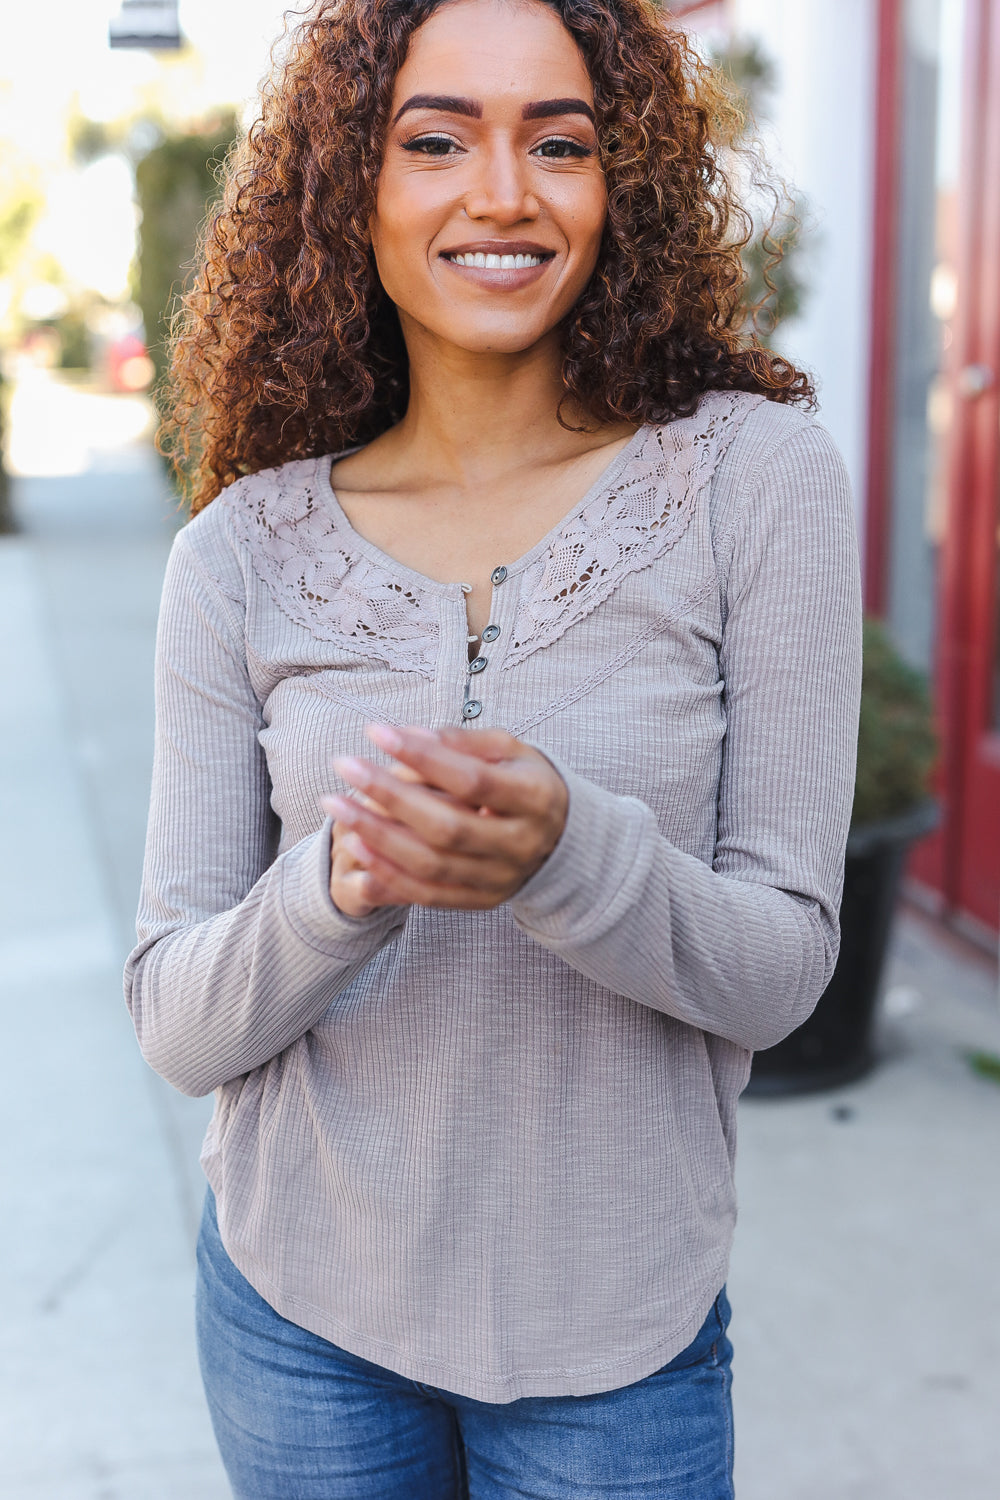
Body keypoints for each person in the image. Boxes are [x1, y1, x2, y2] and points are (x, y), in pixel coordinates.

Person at [125, 0, 862, 1494]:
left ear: (624, 186)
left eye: (562, 142)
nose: (504, 192)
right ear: (355, 188)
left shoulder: (751, 480)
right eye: (437, 138)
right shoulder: (238, 556)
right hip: (297, 1322)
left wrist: (571, 858)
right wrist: (339, 886)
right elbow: (178, 1023)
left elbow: (783, 970)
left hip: (617, 1345)